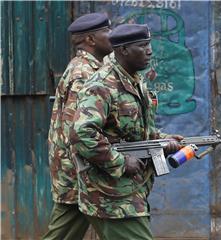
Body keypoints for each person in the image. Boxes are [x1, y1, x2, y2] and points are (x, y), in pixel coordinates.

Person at [69, 23, 182, 240]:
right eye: (142, 46)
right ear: (123, 50)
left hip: (130, 190)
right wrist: (119, 162)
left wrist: (162, 140)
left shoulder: (135, 80)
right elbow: (82, 134)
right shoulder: (102, 85)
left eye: (149, 44)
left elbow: (135, 131)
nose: (149, 51)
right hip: (110, 193)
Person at [43, 13, 113, 240]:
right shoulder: (83, 73)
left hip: (79, 171)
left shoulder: (90, 68)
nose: (112, 36)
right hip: (79, 171)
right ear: (91, 40)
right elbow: (79, 128)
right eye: (107, 32)